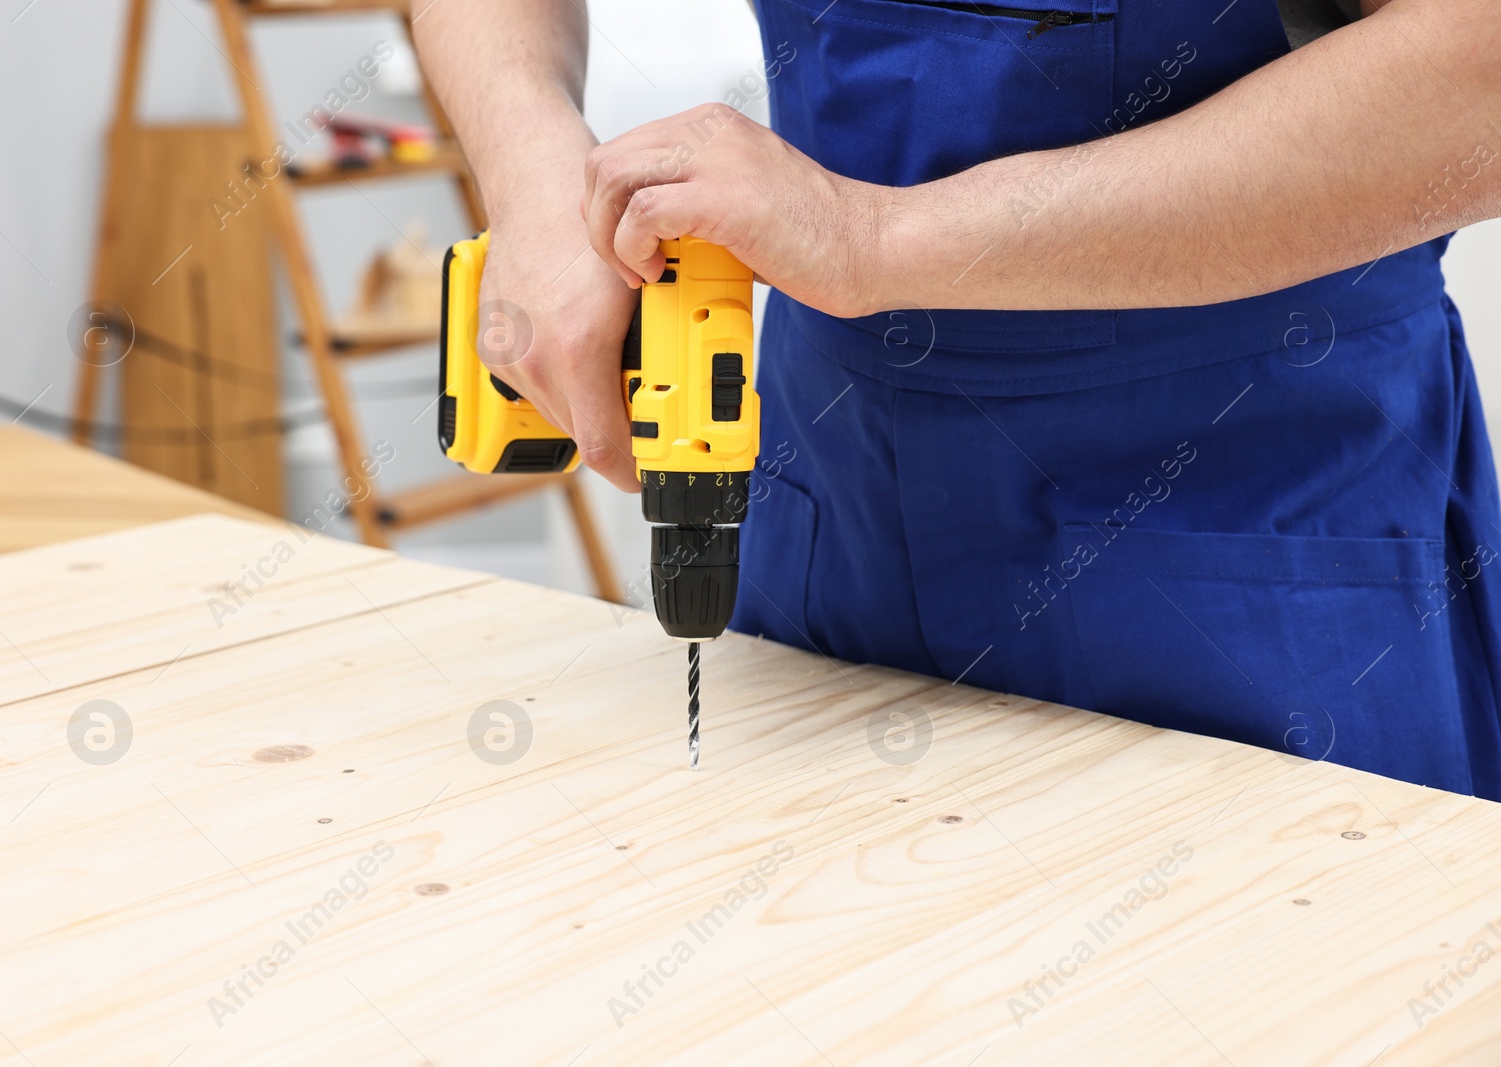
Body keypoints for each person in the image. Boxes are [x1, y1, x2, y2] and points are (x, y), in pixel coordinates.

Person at [414, 0, 1501, 800]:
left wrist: (871, 240)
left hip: (1238, 522)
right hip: (826, 500)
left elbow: (1477, 68)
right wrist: (533, 174)